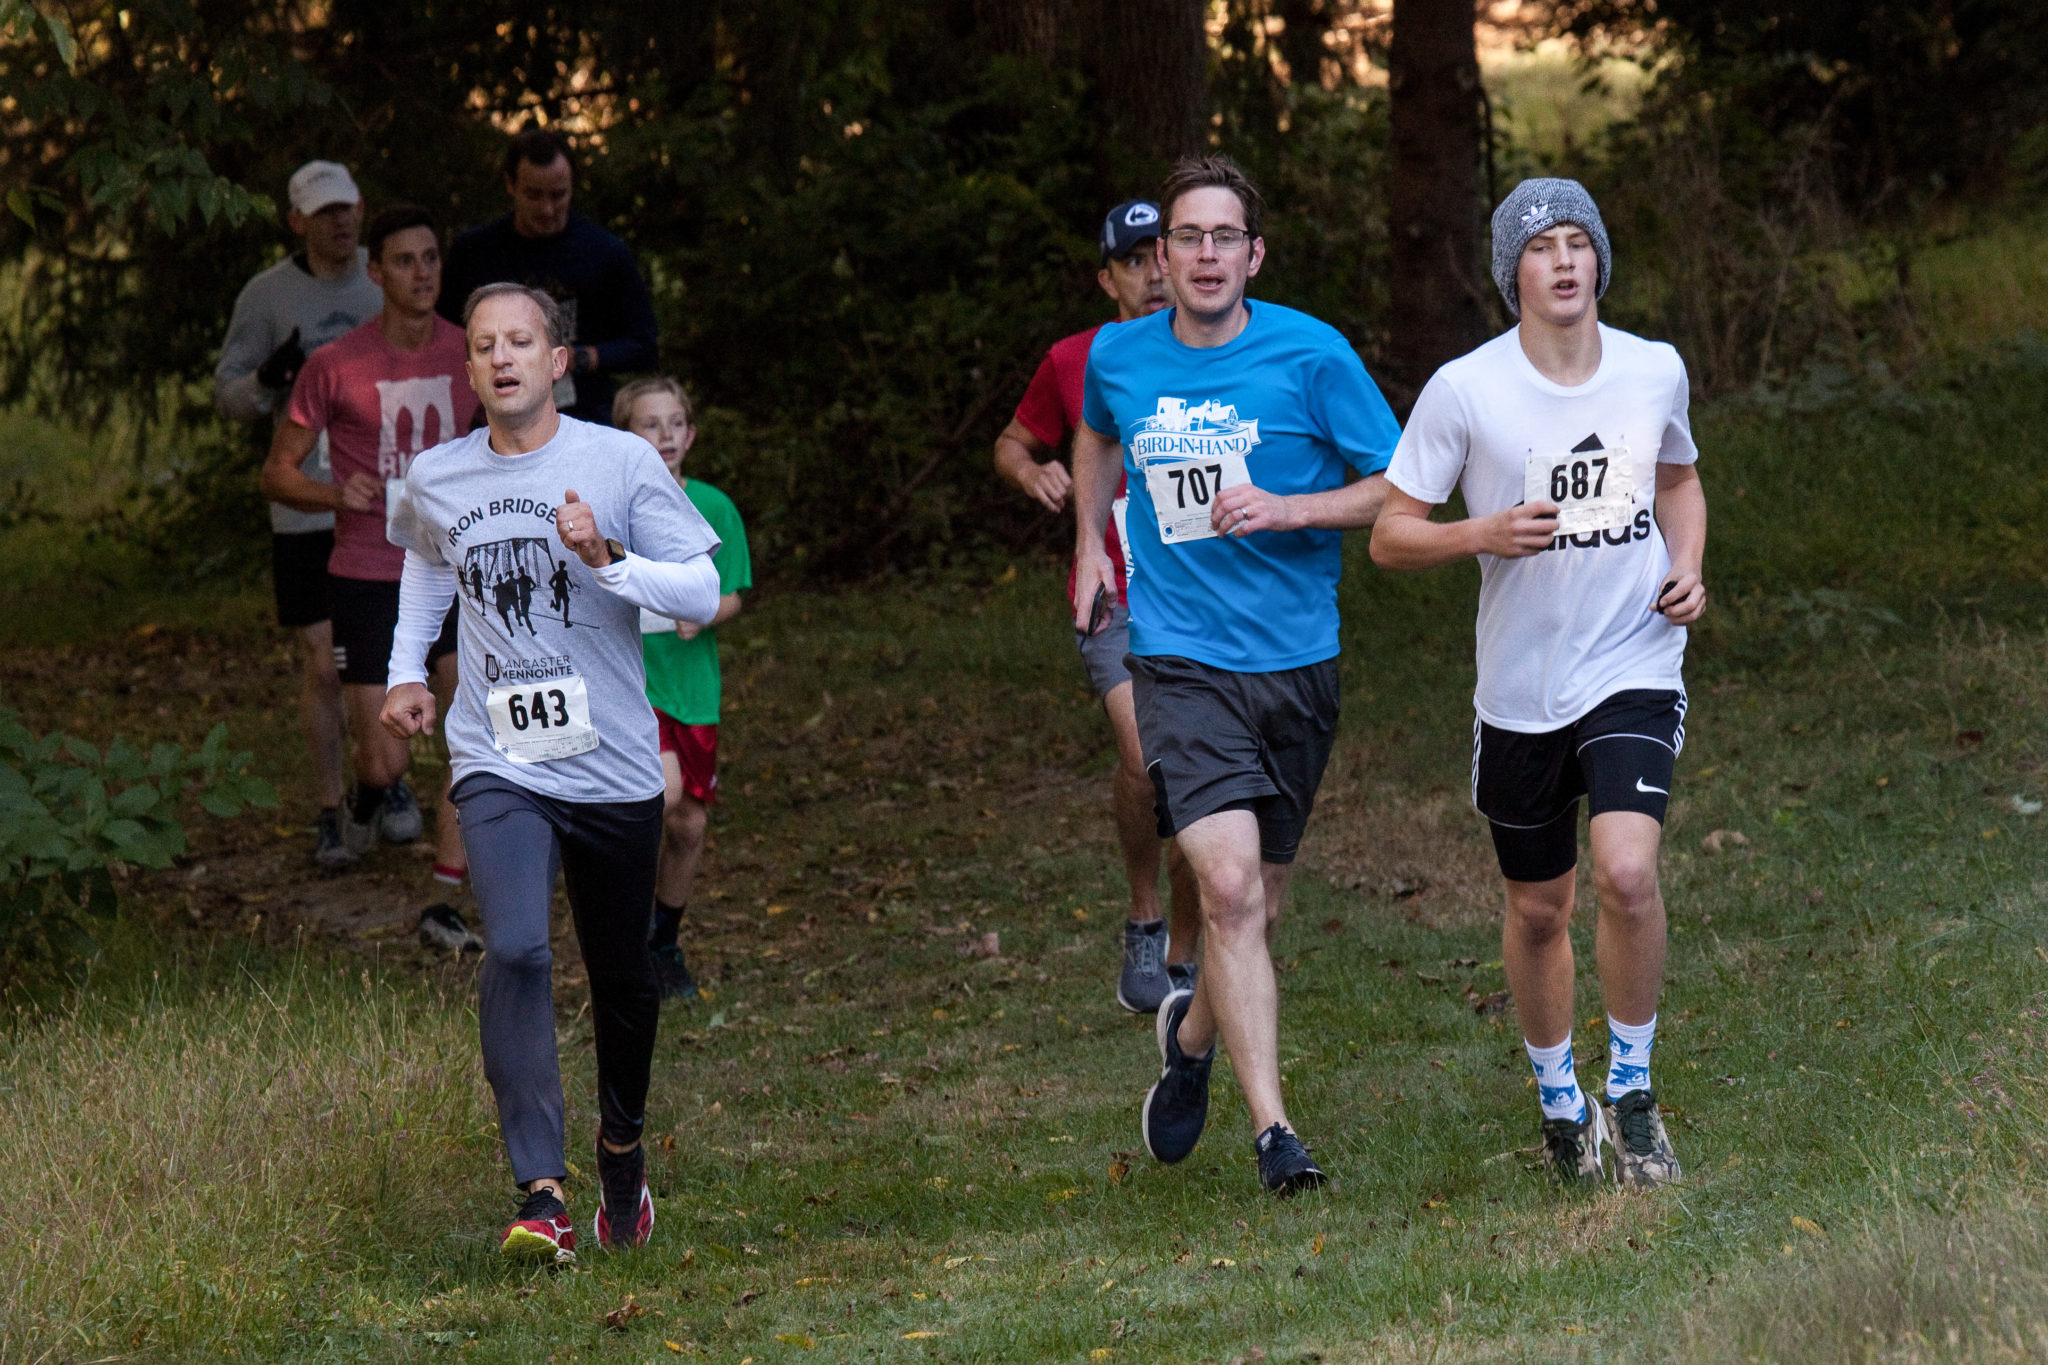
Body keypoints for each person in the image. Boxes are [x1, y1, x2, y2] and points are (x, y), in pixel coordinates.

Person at [1071, 155, 1401, 1194]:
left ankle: (1191, 1041)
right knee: (1220, 886)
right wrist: (1089, 537)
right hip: (1178, 659)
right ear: (1158, 258)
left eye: (1224, 237)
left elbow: (1400, 486)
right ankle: (1274, 1136)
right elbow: (1090, 437)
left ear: (1251, 255)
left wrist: (1288, 507)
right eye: (1186, 238)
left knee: (1254, 903)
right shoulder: (1119, 357)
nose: (1204, 255)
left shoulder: (1312, 353)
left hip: (1295, 665)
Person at [1369, 178, 1706, 1189]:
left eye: (1576, 243)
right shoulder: (1464, 391)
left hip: (1632, 658)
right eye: (1539, 247)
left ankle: (1634, 1092)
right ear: (1509, 273)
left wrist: (1686, 564)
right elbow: (1389, 534)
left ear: (1598, 260)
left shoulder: (1652, 371)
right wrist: (1480, 532)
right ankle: (1561, 1100)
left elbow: (1676, 479)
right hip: (1519, 688)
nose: (1562, 261)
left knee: (1626, 871)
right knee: (1536, 910)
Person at [381, 283, 721, 1259]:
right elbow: (427, 570)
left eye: (520, 340)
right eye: (483, 344)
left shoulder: (616, 460)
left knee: (621, 980)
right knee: (520, 951)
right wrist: (408, 675)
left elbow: (696, 585)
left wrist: (608, 559)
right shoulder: (438, 474)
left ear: (558, 360)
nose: (500, 357)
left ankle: (621, 1153)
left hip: (610, 764)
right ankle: (541, 1190)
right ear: (471, 366)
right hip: (497, 756)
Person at [993, 199, 1200, 1017]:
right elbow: (1013, 440)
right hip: (1112, 598)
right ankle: (1144, 915)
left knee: (1186, 778)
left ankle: (1180, 954)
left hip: (1203, 600)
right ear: (1106, 276)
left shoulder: (1218, 346)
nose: (1156, 272)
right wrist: (1030, 472)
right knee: (1156, 762)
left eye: (1165, 253)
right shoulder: (1077, 359)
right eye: (1136, 260)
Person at [259, 205, 485, 952]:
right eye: (406, 261)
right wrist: (334, 495)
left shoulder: (470, 352)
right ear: (376, 272)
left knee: (469, 727)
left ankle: (446, 891)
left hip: (457, 570)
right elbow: (276, 473)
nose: (422, 273)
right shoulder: (337, 365)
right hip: (367, 574)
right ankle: (367, 795)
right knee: (385, 756)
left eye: (432, 258)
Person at [215, 160, 383, 869]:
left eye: (345, 209)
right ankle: (327, 803)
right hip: (305, 507)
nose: (338, 223)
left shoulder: (388, 277)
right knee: (323, 664)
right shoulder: (268, 295)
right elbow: (227, 395)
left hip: (381, 503)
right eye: (322, 214)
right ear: (296, 222)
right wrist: (266, 380)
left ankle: (382, 780)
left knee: (374, 661)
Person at [614, 377, 752, 1001]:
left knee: (690, 825)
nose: (665, 436)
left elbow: (734, 594)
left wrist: (704, 614)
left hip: (692, 685)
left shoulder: (714, 507)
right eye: (650, 424)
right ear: (624, 436)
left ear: (691, 435)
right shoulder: (608, 508)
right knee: (662, 796)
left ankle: (663, 941)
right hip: (629, 679)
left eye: (675, 424)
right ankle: (620, 937)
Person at [436, 127, 658, 425]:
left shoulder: (603, 251)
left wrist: (580, 358)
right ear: (510, 184)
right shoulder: (474, 251)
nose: (547, 209)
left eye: (558, 195)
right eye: (534, 195)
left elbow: (644, 345)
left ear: (572, 186)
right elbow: (442, 336)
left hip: (582, 418)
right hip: (493, 421)